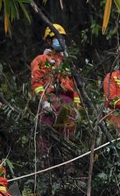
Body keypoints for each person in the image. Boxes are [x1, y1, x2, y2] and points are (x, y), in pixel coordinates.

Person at [30, 23, 82, 156]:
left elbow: (75, 86)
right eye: (56, 38)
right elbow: (36, 83)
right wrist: (44, 101)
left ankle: (68, 166)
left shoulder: (68, 62)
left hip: (68, 103)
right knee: (46, 136)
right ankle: (45, 164)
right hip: (51, 101)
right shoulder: (41, 60)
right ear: (48, 41)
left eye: (62, 38)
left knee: (68, 138)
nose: (60, 41)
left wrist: (77, 106)